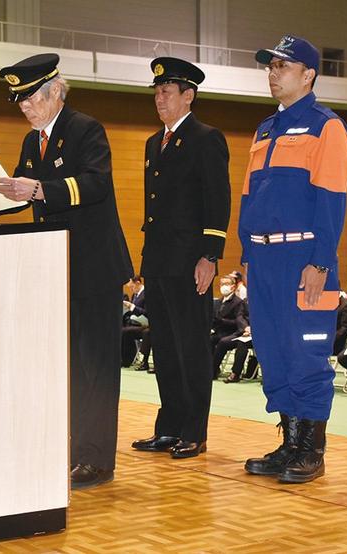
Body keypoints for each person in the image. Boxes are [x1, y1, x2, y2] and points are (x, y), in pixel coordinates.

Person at [0, 53, 133, 489]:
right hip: (56, 268)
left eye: (31, 99)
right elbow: (14, 194)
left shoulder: (85, 129)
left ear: (55, 92)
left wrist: (40, 189)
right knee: (66, 364)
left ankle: (96, 460)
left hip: (95, 267)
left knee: (95, 367)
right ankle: (70, 450)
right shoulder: (33, 143)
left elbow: (96, 183)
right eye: (20, 101)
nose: (25, 108)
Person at [239, 35, 347, 484]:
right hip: (263, 258)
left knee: (306, 354)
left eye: (282, 66)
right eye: (270, 66)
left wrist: (321, 261)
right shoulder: (265, 129)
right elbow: (249, 196)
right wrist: (247, 253)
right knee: (273, 352)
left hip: (303, 257)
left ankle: (311, 449)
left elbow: (332, 200)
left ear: (308, 75)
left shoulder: (328, 127)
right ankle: (288, 442)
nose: (273, 73)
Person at [131, 57, 230, 460]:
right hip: (158, 260)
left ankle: (193, 431)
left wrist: (210, 255)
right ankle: (169, 427)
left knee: (191, 347)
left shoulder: (206, 138)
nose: (160, 98)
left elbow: (217, 199)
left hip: (190, 261)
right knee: (166, 347)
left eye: (167, 91)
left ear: (188, 96)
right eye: (156, 92)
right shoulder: (154, 143)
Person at [211, 275, 247, 379]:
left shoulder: (238, 302)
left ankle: (213, 371)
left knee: (222, 342)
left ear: (233, 286)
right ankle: (210, 368)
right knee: (208, 340)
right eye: (222, 284)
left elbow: (238, 321)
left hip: (231, 332)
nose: (223, 286)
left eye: (226, 284)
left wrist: (222, 321)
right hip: (218, 331)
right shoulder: (218, 302)